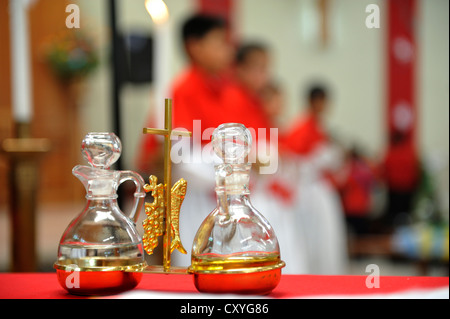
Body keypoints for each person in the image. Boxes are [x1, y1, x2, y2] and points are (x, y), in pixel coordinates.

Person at [282, 84, 349, 274]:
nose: (324, 106)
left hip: (320, 190)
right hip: (308, 193)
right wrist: (320, 160)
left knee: (327, 239)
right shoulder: (303, 127)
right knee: (315, 239)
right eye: (321, 101)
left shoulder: (319, 126)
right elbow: (292, 160)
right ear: (313, 101)